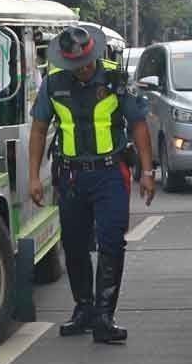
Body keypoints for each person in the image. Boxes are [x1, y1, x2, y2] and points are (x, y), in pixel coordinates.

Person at [28, 25, 155, 344]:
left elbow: (138, 125)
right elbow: (39, 129)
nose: (82, 69)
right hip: (71, 177)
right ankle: (83, 308)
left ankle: (104, 316)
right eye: (75, 64)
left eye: (85, 62)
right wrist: (33, 176)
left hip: (110, 174)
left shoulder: (116, 79)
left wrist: (148, 172)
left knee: (111, 242)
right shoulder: (54, 84)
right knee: (73, 244)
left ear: (94, 55)